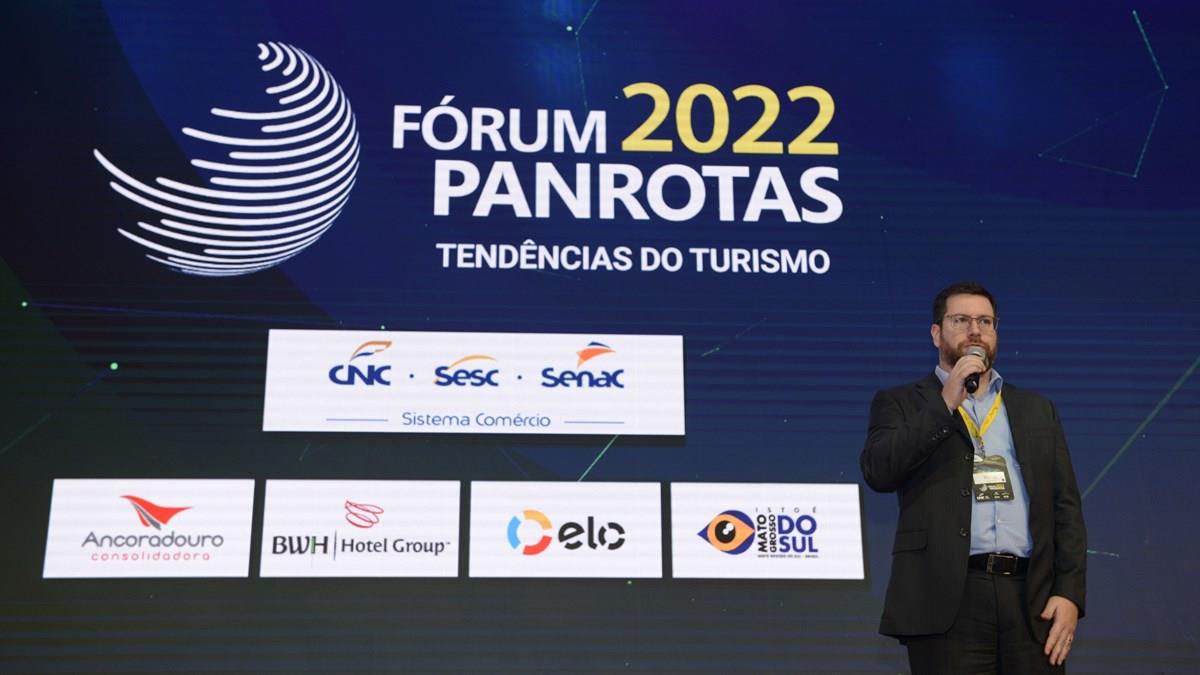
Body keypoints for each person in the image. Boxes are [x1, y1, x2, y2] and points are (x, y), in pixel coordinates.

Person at [860, 281, 1087, 674]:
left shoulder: (1037, 409)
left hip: (1030, 600)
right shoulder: (900, 402)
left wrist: (1069, 593)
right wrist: (946, 401)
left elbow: (1065, 508)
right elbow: (879, 470)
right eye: (961, 320)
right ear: (936, 333)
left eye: (985, 321)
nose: (975, 330)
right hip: (947, 599)